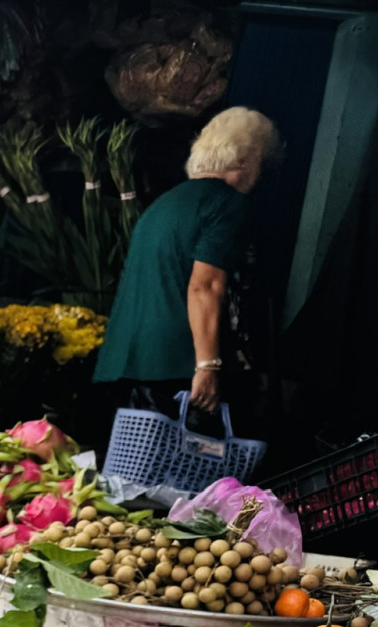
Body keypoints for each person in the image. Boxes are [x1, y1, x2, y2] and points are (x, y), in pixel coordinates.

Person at [95, 106, 281, 424]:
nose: (262, 173)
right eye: (263, 161)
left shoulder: (162, 206)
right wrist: (208, 366)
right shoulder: (227, 204)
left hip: (131, 369)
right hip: (182, 373)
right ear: (245, 159)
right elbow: (205, 286)